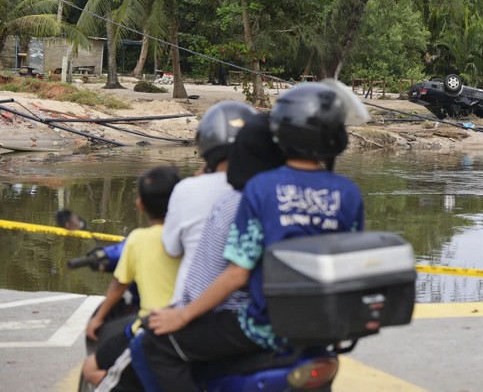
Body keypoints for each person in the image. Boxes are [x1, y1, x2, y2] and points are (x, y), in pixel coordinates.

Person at [140, 81, 367, 391]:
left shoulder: (261, 188)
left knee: (160, 345)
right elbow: (349, 265)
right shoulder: (349, 193)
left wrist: (182, 316)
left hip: (263, 326)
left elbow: (237, 274)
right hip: (322, 327)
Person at [129, 112, 287, 392]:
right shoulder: (282, 192)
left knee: (149, 343)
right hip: (281, 313)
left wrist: (184, 313)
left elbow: (231, 273)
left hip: (225, 314)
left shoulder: (229, 199)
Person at [81, 165, 181, 388]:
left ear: (140, 204)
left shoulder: (137, 239)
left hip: (151, 330)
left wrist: (98, 319)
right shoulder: (191, 234)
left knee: (90, 368)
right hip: (193, 327)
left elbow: (120, 283)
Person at [162, 101, 257, 305]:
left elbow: (171, 249)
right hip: (253, 311)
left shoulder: (187, 189)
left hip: (190, 308)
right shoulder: (265, 190)